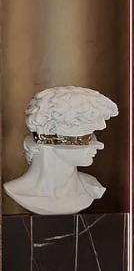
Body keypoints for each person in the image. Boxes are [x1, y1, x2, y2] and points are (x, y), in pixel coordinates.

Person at [3, 86, 119, 215]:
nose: (99, 145)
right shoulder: (16, 191)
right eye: (85, 137)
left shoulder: (92, 188)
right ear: (51, 132)